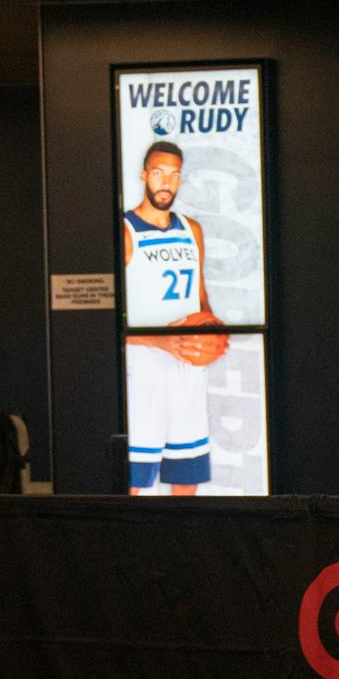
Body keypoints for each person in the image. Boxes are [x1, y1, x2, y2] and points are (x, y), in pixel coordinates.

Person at [121, 140, 227, 494]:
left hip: (187, 366)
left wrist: (211, 329)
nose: (166, 182)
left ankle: (181, 546)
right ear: (143, 176)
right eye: (158, 173)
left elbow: (201, 296)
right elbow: (106, 319)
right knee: (134, 479)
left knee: (186, 475)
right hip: (143, 367)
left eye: (174, 175)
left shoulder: (191, 229)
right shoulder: (123, 230)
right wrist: (158, 339)